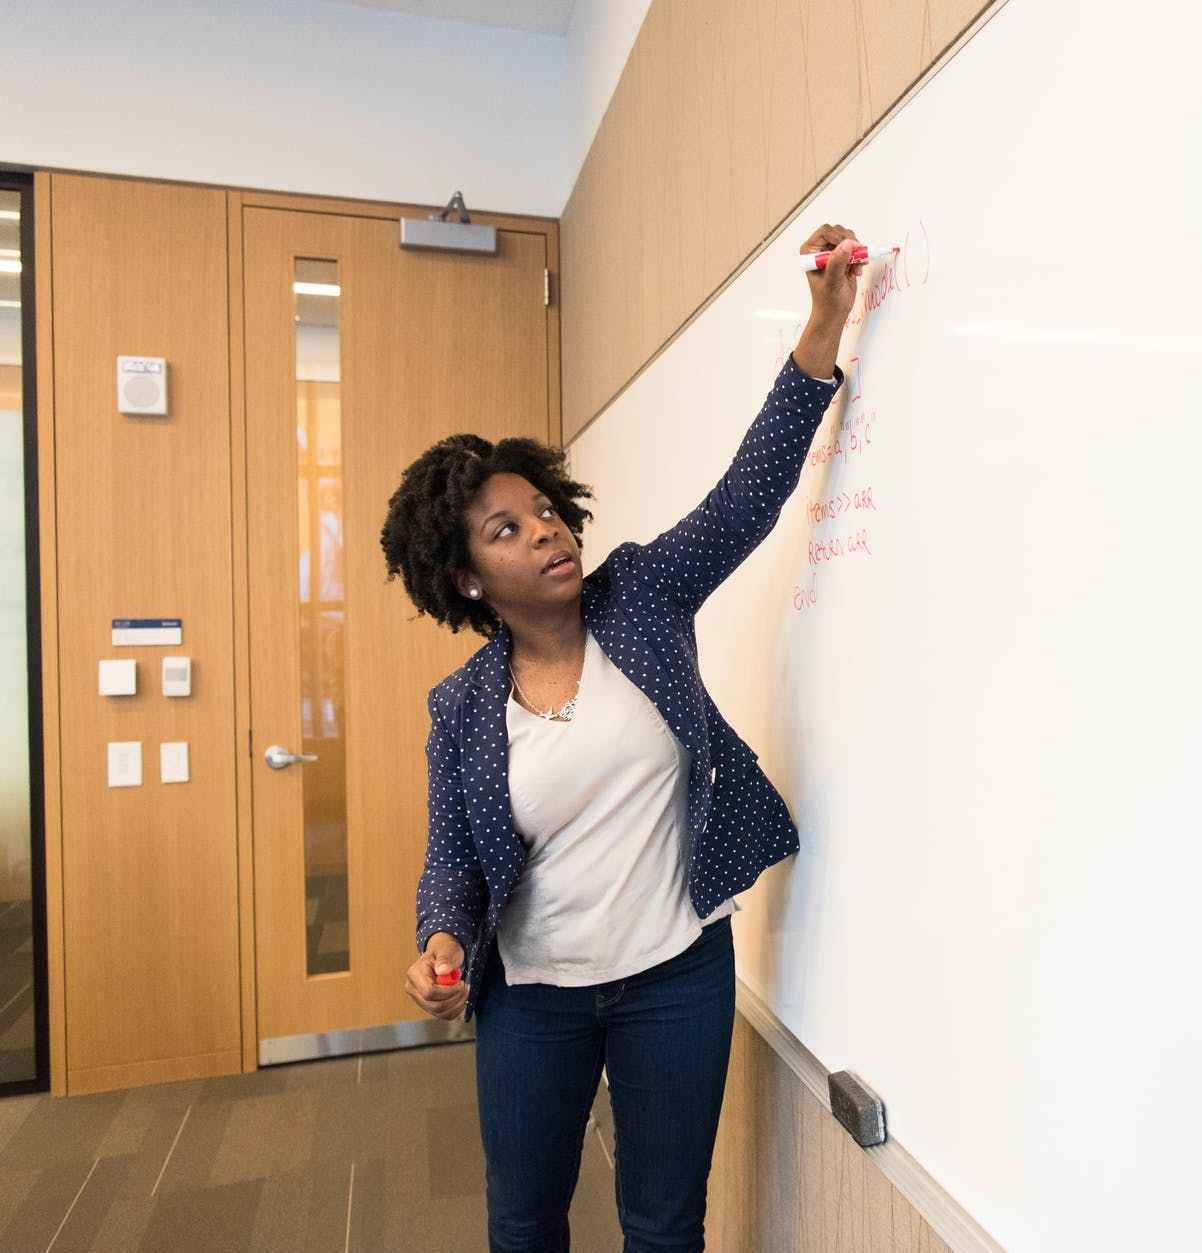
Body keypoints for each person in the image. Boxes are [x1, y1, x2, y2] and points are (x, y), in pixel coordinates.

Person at [379, 224, 865, 1253]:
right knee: (523, 1221)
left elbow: (745, 495)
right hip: (533, 997)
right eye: (506, 530)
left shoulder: (640, 594)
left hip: (673, 973)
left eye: (543, 511)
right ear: (465, 581)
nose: (547, 530)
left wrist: (821, 325)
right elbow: (452, 865)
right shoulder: (460, 707)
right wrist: (439, 940)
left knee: (661, 1223)